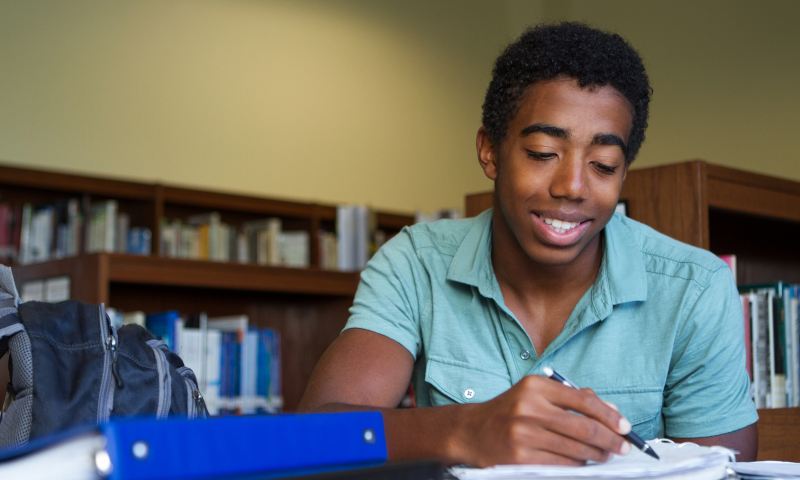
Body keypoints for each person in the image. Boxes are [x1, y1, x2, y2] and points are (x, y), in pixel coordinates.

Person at [299, 22, 758, 466]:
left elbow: (719, 468)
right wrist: (467, 429)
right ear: (489, 152)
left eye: (603, 164)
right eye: (543, 154)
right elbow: (313, 437)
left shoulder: (694, 288)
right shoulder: (415, 262)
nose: (573, 186)